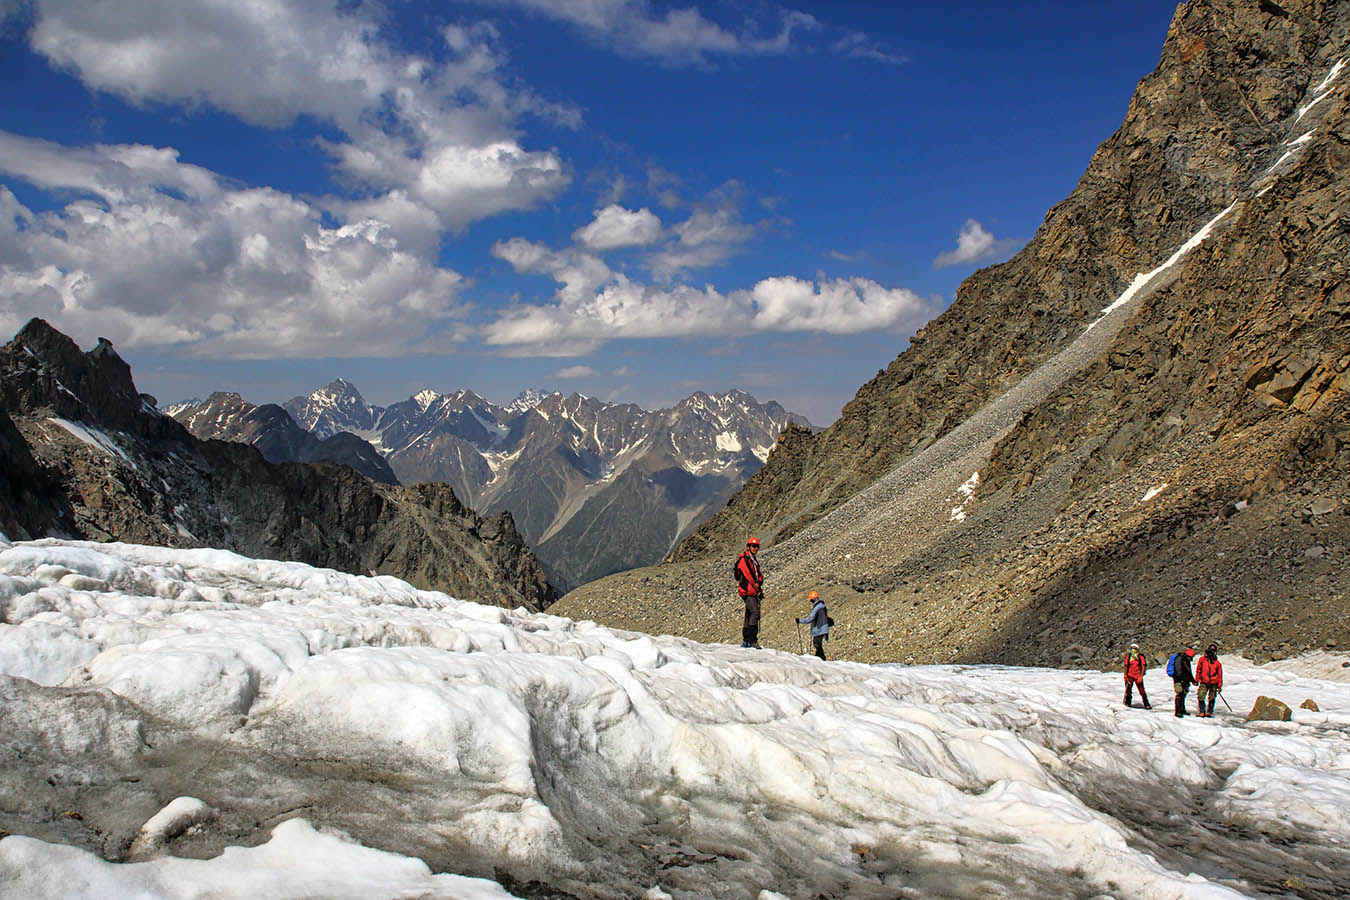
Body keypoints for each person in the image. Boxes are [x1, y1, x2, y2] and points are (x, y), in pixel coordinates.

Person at [734, 537, 764, 648]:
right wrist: (756, 586)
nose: (755, 548)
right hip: (748, 591)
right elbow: (748, 575)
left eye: (757, 547)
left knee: (749, 614)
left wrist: (760, 582)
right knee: (755, 612)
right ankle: (752, 639)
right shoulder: (744, 560)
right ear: (748, 547)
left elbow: (758, 575)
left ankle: (746, 640)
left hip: (752, 591)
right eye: (753, 546)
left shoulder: (753, 560)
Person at [796, 591, 831, 660]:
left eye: (811, 600)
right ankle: (818, 657)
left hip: (819, 628)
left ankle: (822, 657)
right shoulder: (822, 606)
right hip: (823, 628)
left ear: (813, 599)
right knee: (817, 643)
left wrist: (800, 621)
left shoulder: (817, 608)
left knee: (817, 643)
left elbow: (810, 619)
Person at [1195, 643, 1223, 717]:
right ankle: (1202, 711)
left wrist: (1219, 686)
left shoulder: (1217, 663)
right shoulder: (1202, 660)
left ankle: (1209, 712)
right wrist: (1197, 679)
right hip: (1204, 682)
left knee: (1212, 697)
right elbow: (1198, 670)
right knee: (1201, 695)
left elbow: (1220, 675)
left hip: (1214, 682)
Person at [1123, 642, 1151, 708]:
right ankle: (1128, 702)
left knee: (1141, 690)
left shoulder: (1140, 657)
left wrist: (1141, 676)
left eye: (1134, 648)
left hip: (1138, 676)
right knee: (1128, 690)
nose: (1133, 650)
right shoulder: (1129, 656)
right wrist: (1125, 675)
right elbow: (1126, 666)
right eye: (1132, 648)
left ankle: (1146, 703)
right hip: (1130, 676)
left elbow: (1143, 666)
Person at [1172, 647, 1196, 718]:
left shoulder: (1185, 660)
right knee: (1179, 694)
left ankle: (1182, 710)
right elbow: (1179, 671)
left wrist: (1192, 680)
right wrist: (1183, 679)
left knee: (1183, 694)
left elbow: (1189, 672)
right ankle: (1178, 711)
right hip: (1179, 680)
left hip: (1184, 680)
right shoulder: (1179, 659)